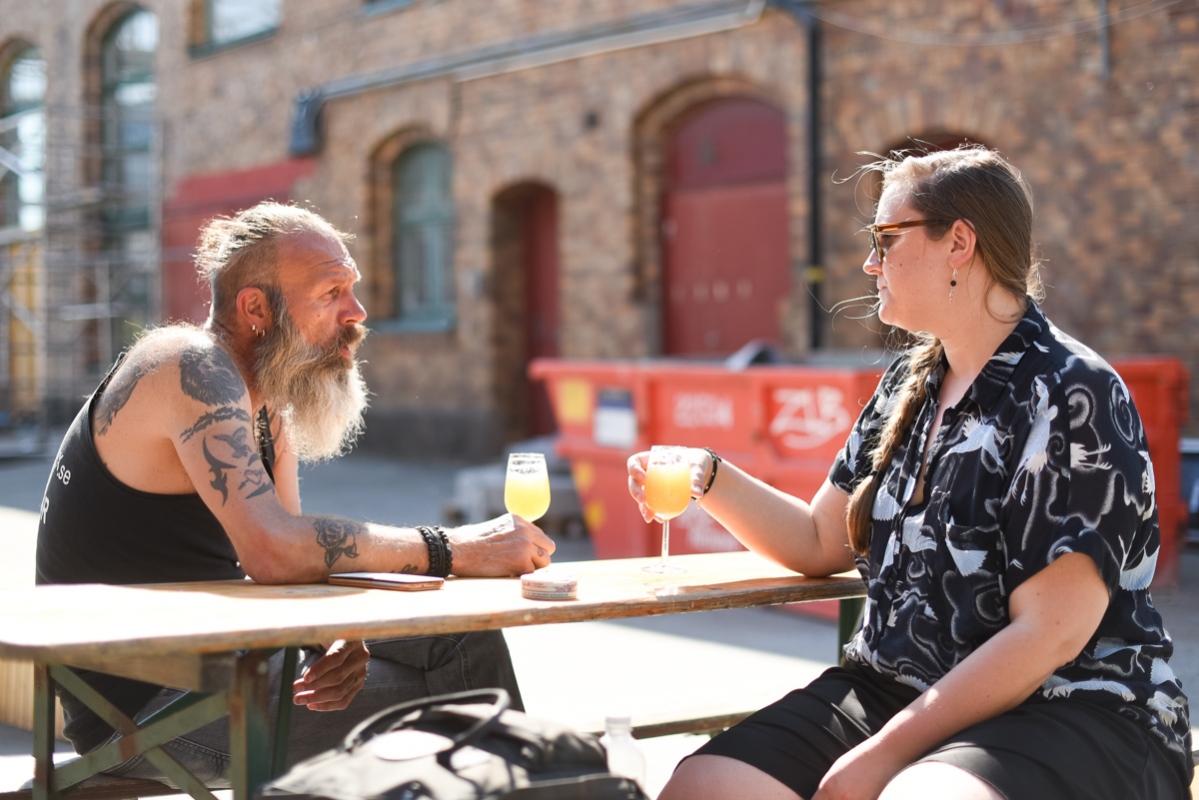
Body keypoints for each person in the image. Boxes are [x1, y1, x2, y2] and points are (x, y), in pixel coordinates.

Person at [628, 147, 1192, 800]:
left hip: (1075, 706)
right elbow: (819, 540)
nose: (870, 263)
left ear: (959, 243)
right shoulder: (908, 383)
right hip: (895, 687)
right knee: (703, 785)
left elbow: (1049, 635)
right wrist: (707, 475)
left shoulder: (1070, 391)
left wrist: (878, 759)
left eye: (885, 239)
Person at [36, 201, 556, 786]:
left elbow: (294, 568)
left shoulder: (266, 403)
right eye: (331, 293)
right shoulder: (189, 365)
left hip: (224, 662)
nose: (357, 312)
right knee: (468, 699)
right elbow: (274, 549)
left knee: (458, 640)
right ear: (256, 308)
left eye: (351, 289)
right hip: (142, 708)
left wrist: (326, 639)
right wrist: (451, 548)